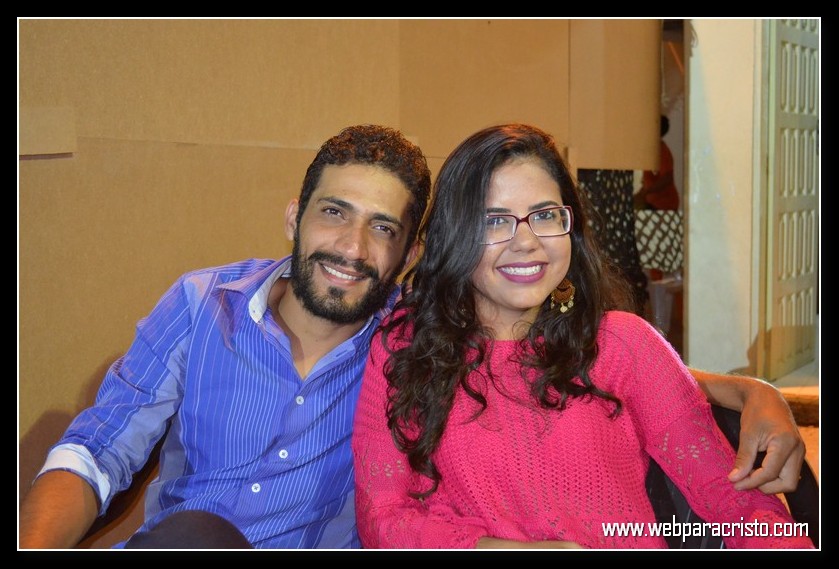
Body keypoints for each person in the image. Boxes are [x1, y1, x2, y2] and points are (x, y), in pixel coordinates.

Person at [19, 124, 805, 550]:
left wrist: (753, 390)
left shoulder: (421, 333)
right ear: (294, 217)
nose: (351, 247)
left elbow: (725, 492)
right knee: (194, 536)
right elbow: (97, 448)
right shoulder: (381, 338)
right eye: (494, 220)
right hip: (193, 546)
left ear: (408, 251)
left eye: (543, 214)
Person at [351, 123, 813, 549]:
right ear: (455, 234)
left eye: (544, 215)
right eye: (494, 221)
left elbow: (741, 506)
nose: (526, 241)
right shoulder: (406, 349)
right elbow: (383, 518)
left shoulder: (623, 344)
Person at [634, 114, 680, 212]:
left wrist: (647, 191)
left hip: (663, 204)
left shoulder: (661, 151)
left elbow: (667, 178)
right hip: (653, 202)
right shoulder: (653, 150)